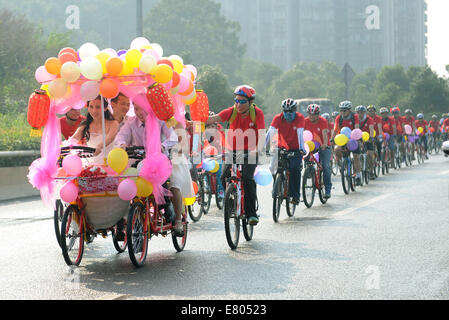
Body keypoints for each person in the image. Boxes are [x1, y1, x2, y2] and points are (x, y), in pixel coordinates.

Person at [114, 101, 188, 236]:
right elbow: (121, 136)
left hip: (158, 163)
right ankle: (121, 223)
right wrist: (122, 143)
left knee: (166, 188)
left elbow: (173, 137)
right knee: (123, 187)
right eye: (136, 109)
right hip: (138, 162)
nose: (139, 113)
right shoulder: (131, 122)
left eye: (142, 109)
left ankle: (173, 216)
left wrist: (163, 146)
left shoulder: (160, 120)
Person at [199, 85, 265, 225]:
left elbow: (261, 134)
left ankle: (251, 214)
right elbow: (214, 119)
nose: (238, 104)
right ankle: (232, 201)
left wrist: (258, 150)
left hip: (251, 151)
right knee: (224, 177)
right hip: (233, 151)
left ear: (250, 102)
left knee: (247, 179)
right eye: (236, 100)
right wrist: (198, 119)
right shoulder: (232, 111)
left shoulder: (257, 113)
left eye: (242, 101)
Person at [265, 99, 306, 205]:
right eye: (286, 111)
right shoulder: (278, 118)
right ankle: (277, 184)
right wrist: (261, 147)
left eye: (291, 111)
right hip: (280, 145)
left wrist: (301, 148)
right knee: (272, 167)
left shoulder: (300, 118)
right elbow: (270, 132)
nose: (288, 113)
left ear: (295, 110)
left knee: (294, 169)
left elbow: (300, 134)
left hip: (295, 148)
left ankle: (295, 196)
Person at [71, 96, 119, 164]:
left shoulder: (113, 123)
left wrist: (99, 147)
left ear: (105, 108)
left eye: (98, 107)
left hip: (109, 162)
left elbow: (110, 138)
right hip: (90, 163)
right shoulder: (85, 124)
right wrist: (69, 145)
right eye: (91, 107)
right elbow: (74, 138)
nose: (94, 111)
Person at [331, 101, 362, 186]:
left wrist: (357, 139)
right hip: (342, 139)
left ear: (349, 110)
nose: (343, 112)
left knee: (356, 156)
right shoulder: (338, 118)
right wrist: (332, 139)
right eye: (341, 110)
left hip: (353, 139)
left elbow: (356, 128)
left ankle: (358, 175)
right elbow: (335, 129)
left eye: (345, 110)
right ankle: (343, 164)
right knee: (337, 149)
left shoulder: (354, 116)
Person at [304, 104, 332, 198]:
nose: (312, 117)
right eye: (310, 114)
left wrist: (324, 144)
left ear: (318, 114)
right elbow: (301, 135)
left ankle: (328, 189)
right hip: (309, 146)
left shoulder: (323, 121)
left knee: (325, 166)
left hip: (323, 146)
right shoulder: (305, 121)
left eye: (314, 114)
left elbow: (324, 133)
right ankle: (309, 171)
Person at [356, 105, 375, 178]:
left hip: (368, 138)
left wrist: (371, 137)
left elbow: (371, 129)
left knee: (370, 154)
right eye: (358, 112)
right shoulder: (355, 119)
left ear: (364, 113)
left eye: (361, 112)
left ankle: (371, 171)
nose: (359, 114)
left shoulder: (369, 119)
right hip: (358, 138)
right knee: (356, 156)